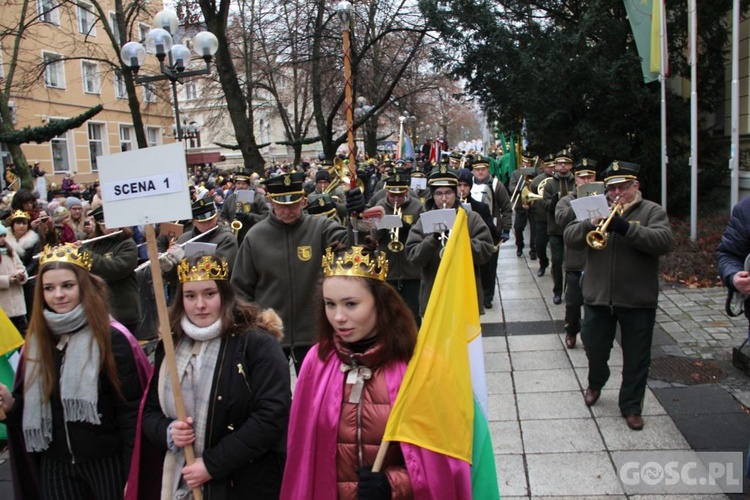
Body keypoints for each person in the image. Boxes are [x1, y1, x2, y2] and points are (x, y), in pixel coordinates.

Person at [280, 242, 471, 499]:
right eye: (330, 304)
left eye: (350, 304)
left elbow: (444, 458)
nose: (337, 317)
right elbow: (302, 455)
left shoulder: (417, 365)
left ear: (380, 303)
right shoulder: (318, 361)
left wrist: (392, 484)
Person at [0, 243, 148, 499]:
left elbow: (132, 411)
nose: (58, 295)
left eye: (67, 285)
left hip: (106, 462)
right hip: (55, 464)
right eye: (49, 288)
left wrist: (133, 473)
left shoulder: (113, 338)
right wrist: (11, 405)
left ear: (84, 286)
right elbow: (35, 405)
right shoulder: (37, 341)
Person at [142, 254, 290, 499]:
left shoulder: (256, 343)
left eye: (209, 294)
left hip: (247, 484)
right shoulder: (170, 345)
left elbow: (272, 414)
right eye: (190, 296)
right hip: (184, 480)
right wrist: (167, 431)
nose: (200, 305)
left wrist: (212, 464)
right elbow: (149, 411)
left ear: (225, 295)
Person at [563, 161, 674, 430]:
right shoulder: (596, 206)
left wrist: (626, 228)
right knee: (595, 348)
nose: (616, 194)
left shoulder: (651, 211)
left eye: (622, 188)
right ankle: (596, 381)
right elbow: (569, 237)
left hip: (637, 299)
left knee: (637, 357)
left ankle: (632, 406)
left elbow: (663, 242)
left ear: (636, 186)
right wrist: (590, 223)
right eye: (612, 189)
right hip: (598, 296)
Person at [231, 172, 355, 371]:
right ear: (270, 201)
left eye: (293, 204)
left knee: (317, 399)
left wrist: (355, 218)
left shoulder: (321, 227)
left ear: (303, 201)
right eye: (281, 205)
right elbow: (240, 289)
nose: (287, 210)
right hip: (269, 336)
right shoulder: (255, 236)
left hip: (315, 333)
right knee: (273, 398)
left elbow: (352, 245)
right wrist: (255, 324)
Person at [405, 165, 494, 317]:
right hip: (434, 294)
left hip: (464, 293)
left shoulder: (471, 218)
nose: (444, 199)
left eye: (448, 193)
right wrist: (433, 239)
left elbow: (485, 252)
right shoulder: (423, 221)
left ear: (456, 193)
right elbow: (413, 257)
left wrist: (461, 239)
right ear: (433, 196)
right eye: (439, 194)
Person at [554, 157, 599, 348]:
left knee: (596, 304)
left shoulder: (604, 198)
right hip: (575, 259)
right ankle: (571, 329)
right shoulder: (567, 200)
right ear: (576, 180)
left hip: (598, 259)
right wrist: (580, 205)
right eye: (582, 178)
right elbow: (560, 219)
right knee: (573, 303)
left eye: (590, 177)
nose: (586, 182)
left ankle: (593, 334)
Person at [374, 168, 425, 324]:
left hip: (411, 271)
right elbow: (372, 238)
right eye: (392, 195)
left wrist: (405, 227)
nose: (396, 199)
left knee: (413, 316)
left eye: (400, 195)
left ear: (406, 192)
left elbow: (424, 235)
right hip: (388, 271)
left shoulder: (417, 207)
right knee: (389, 317)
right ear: (387, 192)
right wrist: (381, 228)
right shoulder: (379, 207)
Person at [84, 206, 141, 334]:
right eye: (105, 225)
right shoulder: (91, 244)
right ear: (99, 226)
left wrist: (87, 256)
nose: (110, 228)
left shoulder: (127, 244)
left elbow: (115, 269)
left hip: (123, 311)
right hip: (99, 309)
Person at [540, 149, 576, 304]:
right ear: (555, 165)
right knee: (557, 260)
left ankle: (571, 290)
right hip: (555, 229)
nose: (562, 166)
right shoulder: (549, 184)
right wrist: (553, 202)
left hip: (573, 228)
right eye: (560, 163)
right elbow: (545, 205)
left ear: (571, 166)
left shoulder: (576, 182)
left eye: (566, 163)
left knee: (572, 261)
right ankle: (557, 290)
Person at [5, 210, 40, 320]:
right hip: (10, 280)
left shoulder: (34, 240)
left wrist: (23, 274)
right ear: (13, 225)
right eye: (18, 223)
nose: (21, 226)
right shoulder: (4, 240)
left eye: (24, 223)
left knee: (30, 311)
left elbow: (34, 260)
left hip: (28, 279)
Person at [218, 168, 269, 243]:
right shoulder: (230, 198)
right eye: (238, 183)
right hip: (234, 238)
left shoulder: (257, 197)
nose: (240, 186)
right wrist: (229, 226)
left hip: (253, 237)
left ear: (248, 185)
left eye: (244, 184)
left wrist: (249, 216)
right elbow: (223, 216)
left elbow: (266, 216)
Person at [509, 151, 538, 259]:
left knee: (534, 229)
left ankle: (533, 250)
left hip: (533, 205)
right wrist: (519, 189)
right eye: (525, 163)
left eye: (529, 163)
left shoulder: (536, 173)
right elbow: (511, 187)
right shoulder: (516, 173)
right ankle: (519, 246)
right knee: (518, 228)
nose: (527, 165)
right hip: (520, 205)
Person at [0, 224, 28, 333]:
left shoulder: (10, 251)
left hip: (18, 304)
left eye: (4, 236)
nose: (3, 239)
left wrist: (20, 275)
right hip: (3, 307)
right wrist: (7, 280)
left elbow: (21, 267)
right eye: (0, 236)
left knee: (23, 334)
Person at [530, 154, 555, 277]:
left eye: (553, 166)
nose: (551, 169)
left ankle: (555, 267)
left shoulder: (559, 180)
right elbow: (530, 196)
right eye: (548, 166)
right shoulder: (537, 180)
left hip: (556, 218)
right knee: (539, 245)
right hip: (541, 217)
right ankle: (543, 263)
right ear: (543, 167)